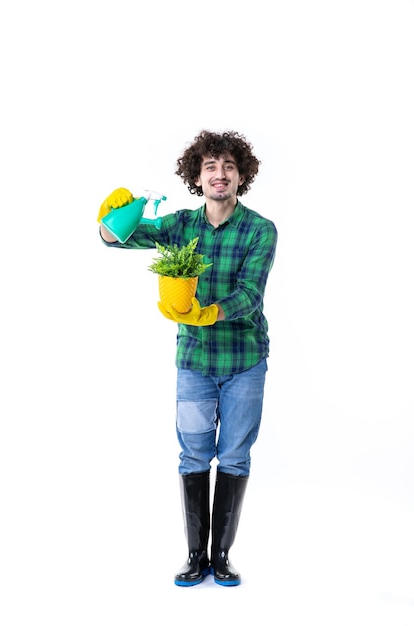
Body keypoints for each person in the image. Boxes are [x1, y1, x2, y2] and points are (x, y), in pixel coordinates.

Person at [98, 130, 278, 586]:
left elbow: (250, 295)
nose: (220, 175)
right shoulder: (180, 225)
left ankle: (222, 557)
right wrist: (111, 218)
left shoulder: (260, 230)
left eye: (229, 168)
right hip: (195, 362)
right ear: (197, 177)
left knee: (234, 456)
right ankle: (195, 555)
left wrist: (207, 312)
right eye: (211, 167)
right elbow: (119, 239)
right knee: (193, 454)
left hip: (244, 361)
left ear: (242, 177)